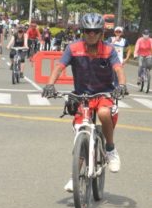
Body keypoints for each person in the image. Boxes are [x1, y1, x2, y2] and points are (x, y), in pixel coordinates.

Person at [41, 13, 127, 192]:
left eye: (95, 31)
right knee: (80, 131)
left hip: (104, 93)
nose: (91, 35)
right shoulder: (73, 48)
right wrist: (50, 84)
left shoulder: (109, 50)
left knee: (104, 114)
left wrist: (123, 85)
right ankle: (75, 176)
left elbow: (118, 69)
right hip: (82, 96)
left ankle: (110, 149)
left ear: (101, 33)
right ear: (82, 32)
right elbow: (59, 67)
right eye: (87, 31)